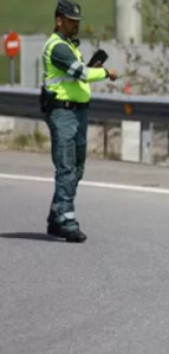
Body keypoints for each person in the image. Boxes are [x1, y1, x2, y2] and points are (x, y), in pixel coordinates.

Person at [40, 0, 118, 242]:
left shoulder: (70, 46)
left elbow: (77, 74)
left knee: (77, 168)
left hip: (78, 113)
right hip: (63, 113)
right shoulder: (57, 47)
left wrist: (89, 67)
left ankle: (57, 216)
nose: (75, 26)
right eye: (71, 22)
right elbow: (81, 73)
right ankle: (66, 220)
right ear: (59, 20)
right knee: (66, 167)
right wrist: (105, 72)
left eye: (77, 22)